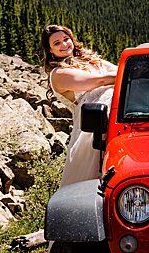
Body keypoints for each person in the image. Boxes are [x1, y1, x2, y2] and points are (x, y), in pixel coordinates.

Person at [42, 24, 118, 186]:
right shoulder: (58, 74)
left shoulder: (90, 60)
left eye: (65, 39)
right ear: (50, 51)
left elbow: (118, 70)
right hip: (94, 126)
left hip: (116, 113)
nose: (63, 44)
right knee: (93, 177)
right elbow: (100, 80)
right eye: (56, 43)